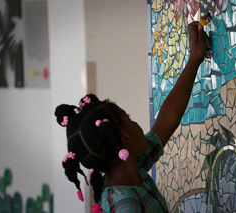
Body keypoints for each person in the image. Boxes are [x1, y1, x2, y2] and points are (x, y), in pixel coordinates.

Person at [54, 13, 211, 213]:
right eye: (129, 119)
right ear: (124, 137)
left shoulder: (130, 167)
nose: (136, 124)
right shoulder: (125, 204)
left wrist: (194, 59)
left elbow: (167, 120)